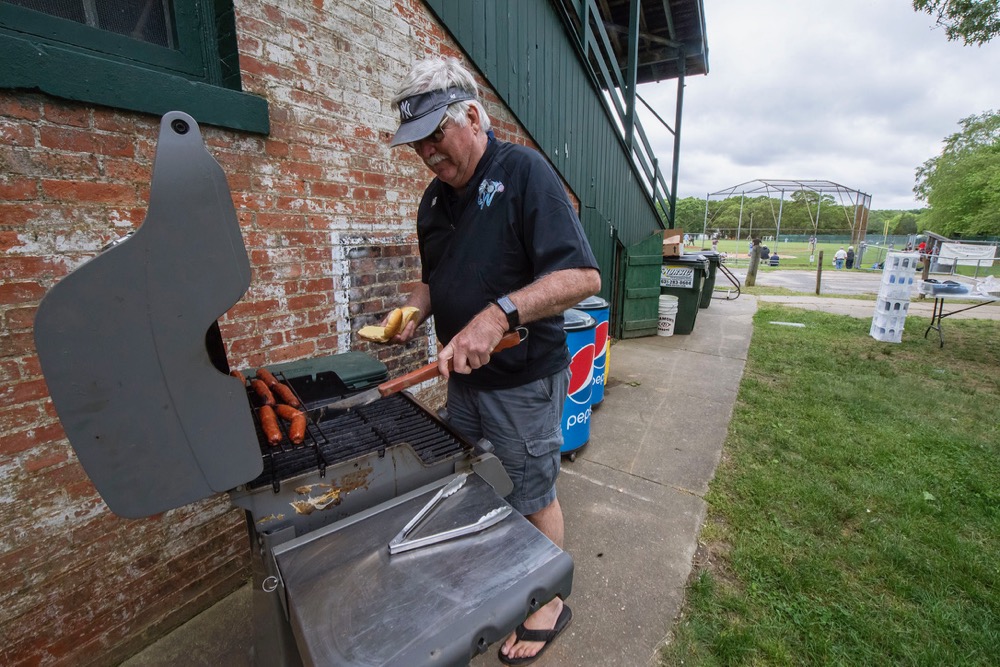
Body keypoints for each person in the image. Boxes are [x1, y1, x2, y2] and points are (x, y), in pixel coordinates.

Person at [387, 57, 601, 665]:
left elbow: (582, 276)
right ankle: (498, 568)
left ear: (474, 117)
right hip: (464, 378)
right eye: (418, 142)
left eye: (436, 135)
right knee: (472, 480)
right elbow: (435, 281)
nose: (427, 152)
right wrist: (412, 310)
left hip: (522, 378)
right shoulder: (433, 200)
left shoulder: (524, 173)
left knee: (533, 490)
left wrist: (500, 313)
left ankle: (549, 603)